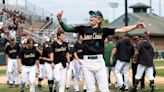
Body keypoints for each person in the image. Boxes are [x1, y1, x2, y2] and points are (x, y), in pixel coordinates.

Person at [56, 10, 145, 92]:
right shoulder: (83, 29)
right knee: (90, 89)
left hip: (99, 62)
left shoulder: (103, 31)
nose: (90, 17)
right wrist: (60, 20)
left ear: (99, 20)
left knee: (104, 89)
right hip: (86, 62)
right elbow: (67, 29)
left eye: (93, 16)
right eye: (90, 15)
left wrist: (136, 26)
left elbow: (121, 30)